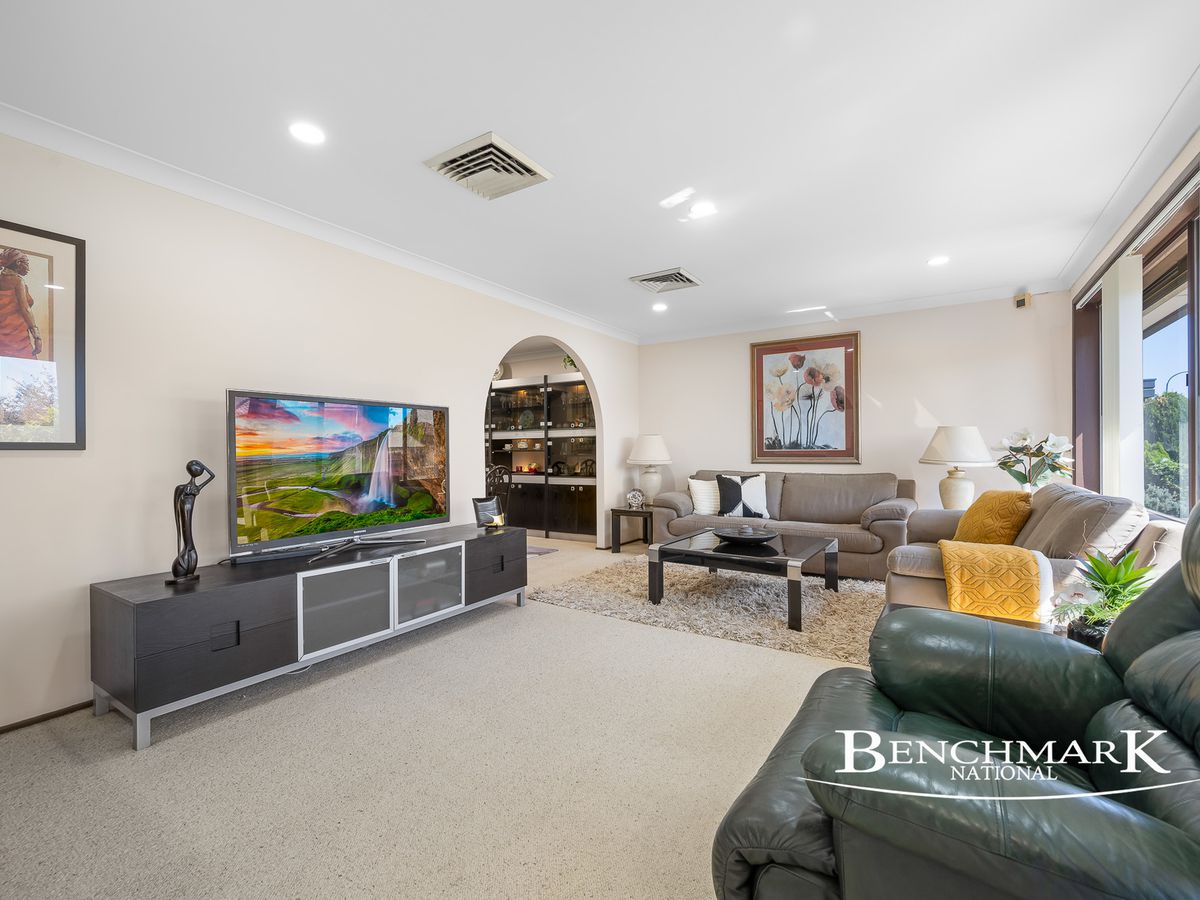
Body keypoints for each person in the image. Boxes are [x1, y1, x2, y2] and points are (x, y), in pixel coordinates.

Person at [0, 248, 41, 358]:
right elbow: (25, 309)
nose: (28, 268)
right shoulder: (18, 281)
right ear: (18, 263)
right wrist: (37, 337)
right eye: (26, 263)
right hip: (17, 337)